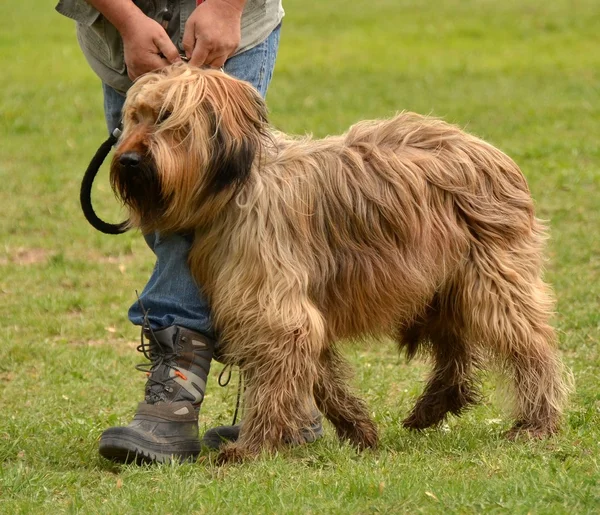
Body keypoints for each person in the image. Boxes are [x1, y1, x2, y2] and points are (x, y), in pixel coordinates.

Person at [56, 0, 322, 463]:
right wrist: (126, 20)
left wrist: (225, 5)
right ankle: (289, 403)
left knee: (228, 207)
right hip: (123, 34)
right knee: (161, 203)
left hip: (230, 28)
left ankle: (175, 402)